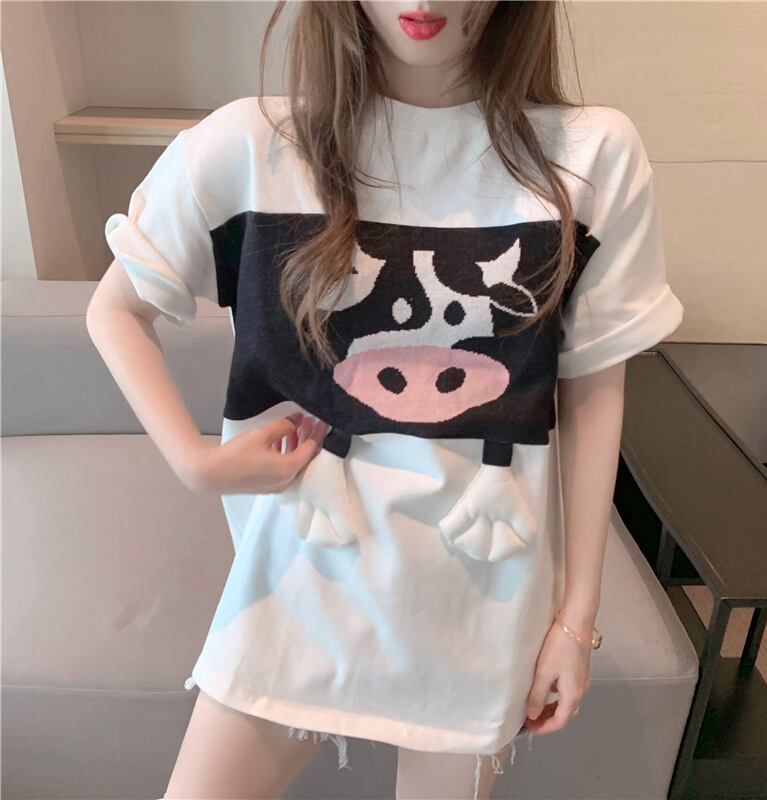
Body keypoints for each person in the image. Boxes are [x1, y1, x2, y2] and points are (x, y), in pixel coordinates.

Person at [86, 1, 684, 798]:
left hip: (479, 605)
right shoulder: (250, 146)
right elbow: (114, 309)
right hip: (293, 587)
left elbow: (593, 389)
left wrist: (576, 622)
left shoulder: (590, 157)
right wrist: (195, 463)